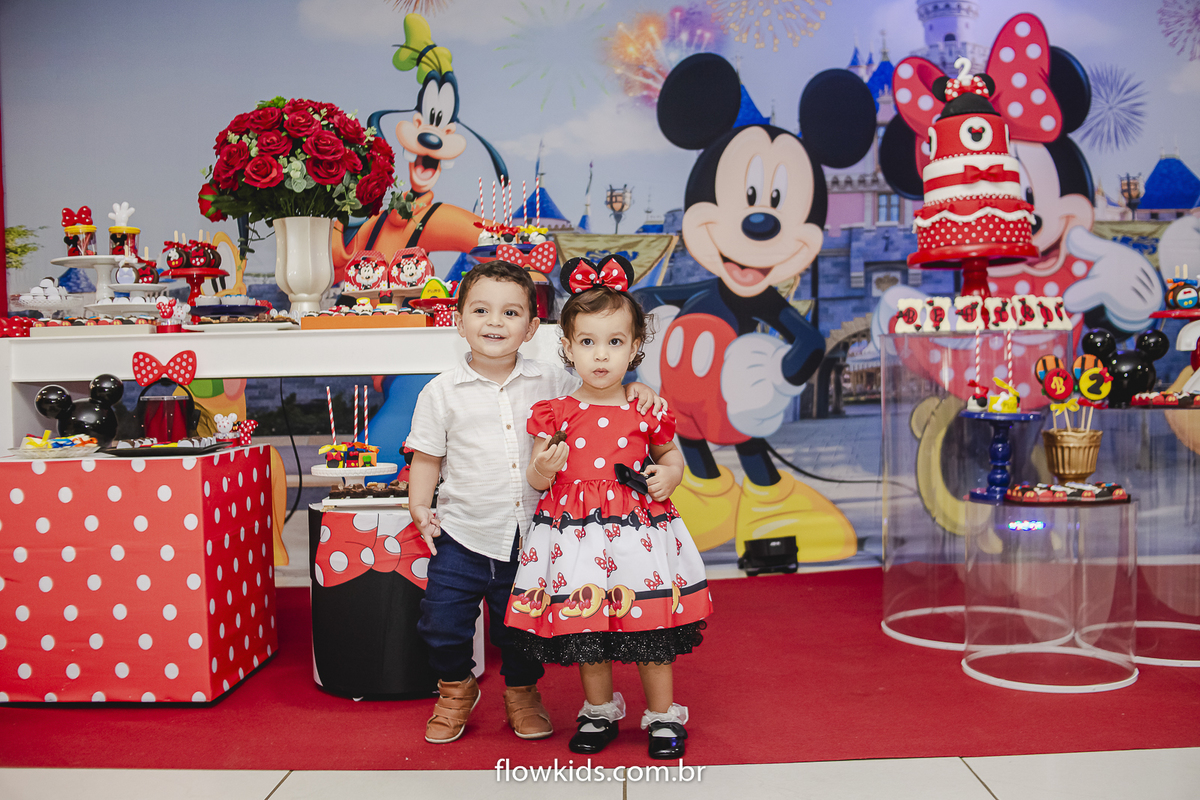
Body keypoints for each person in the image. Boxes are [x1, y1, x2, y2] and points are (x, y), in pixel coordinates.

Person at [405, 259, 662, 745]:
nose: (495, 322)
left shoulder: (553, 382)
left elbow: (600, 393)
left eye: (511, 312)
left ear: (530, 328)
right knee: (441, 621)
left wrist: (635, 388)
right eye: (481, 310)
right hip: (463, 531)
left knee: (520, 629)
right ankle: (455, 688)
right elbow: (427, 456)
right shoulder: (440, 392)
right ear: (458, 321)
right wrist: (420, 504)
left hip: (534, 535)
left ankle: (522, 693)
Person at [506, 255, 712, 759]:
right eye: (587, 342)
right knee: (588, 628)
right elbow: (535, 477)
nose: (601, 355)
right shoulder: (556, 412)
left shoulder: (645, 408)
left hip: (637, 538)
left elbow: (670, 457)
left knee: (649, 627)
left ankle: (662, 716)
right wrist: (545, 467)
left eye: (615, 342)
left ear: (636, 347)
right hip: (575, 539)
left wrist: (670, 475)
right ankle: (599, 712)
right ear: (567, 347)